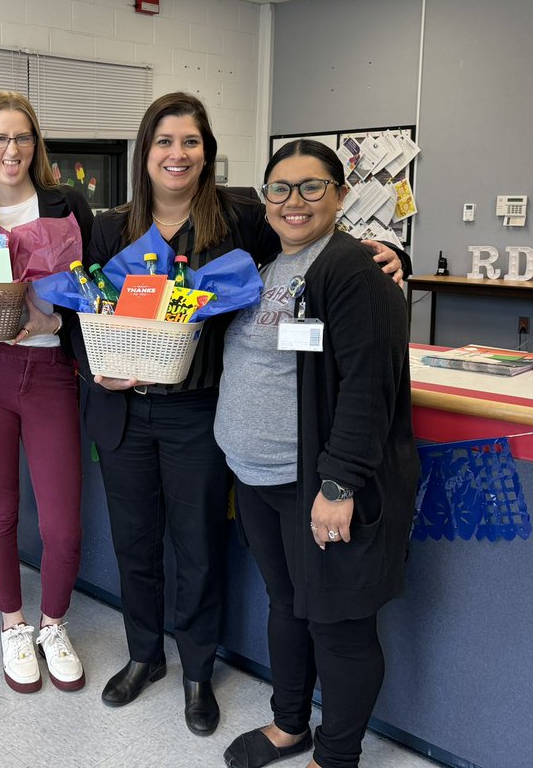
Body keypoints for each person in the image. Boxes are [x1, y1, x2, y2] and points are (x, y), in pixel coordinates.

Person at [80, 94, 405, 737]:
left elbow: (315, 245)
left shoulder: (241, 217)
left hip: (197, 414)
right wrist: (94, 368)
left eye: (191, 142)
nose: (178, 154)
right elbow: (83, 309)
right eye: (164, 142)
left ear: (207, 152)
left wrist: (395, 256)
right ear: (144, 153)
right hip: (123, 410)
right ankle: (144, 654)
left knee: (198, 549)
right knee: (135, 544)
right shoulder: (110, 225)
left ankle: (198, 671)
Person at [216, 139, 417, 768]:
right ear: (265, 198)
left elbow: (368, 387)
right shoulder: (263, 262)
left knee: (339, 623)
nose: (293, 201)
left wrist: (338, 487)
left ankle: (335, 757)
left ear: (342, 194)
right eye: (280, 188)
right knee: (288, 605)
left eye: (312, 187)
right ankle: (289, 724)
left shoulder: (353, 271)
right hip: (259, 480)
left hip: (319, 487)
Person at [0, 92, 94, 694]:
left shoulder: (67, 206)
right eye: (0, 138)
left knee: (63, 526)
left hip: (52, 375)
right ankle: (13, 625)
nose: (11, 149)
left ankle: (53, 624)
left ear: (37, 144)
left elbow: (95, 294)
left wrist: (54, 324)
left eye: (22, 137)